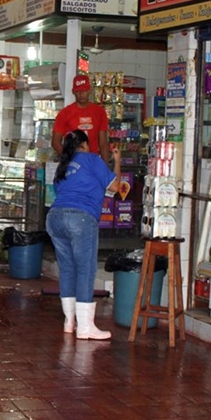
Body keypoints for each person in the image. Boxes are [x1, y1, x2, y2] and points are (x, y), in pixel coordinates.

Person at [46, 130, 121, 340]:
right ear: (86, 145)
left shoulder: (63, 165)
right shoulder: (91, 159)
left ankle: (69, 322)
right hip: (80, 218)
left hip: (55, 218)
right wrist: (117, 162)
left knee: (68, 269)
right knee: (85, 270)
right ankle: (86, 327)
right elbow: (115, 187)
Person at [51, 74, 110, 163]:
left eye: (84, 90)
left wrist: (105, 168)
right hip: (73, 165)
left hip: (93, 162)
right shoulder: (64, 113)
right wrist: (69, 160)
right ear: (73, 92)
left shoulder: (99, 112)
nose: (81, 94)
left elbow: (103, 143)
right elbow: (55, 142)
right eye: (78, 91)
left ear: (89, 90)